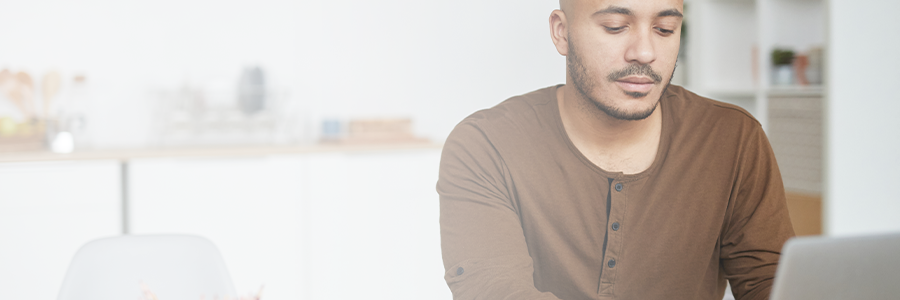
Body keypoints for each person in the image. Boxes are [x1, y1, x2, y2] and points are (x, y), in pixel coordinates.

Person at [436, 0, 795, 299]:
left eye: (665, 29)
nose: (645, 52)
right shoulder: (486, 145)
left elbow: (772, 283)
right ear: (562, 32)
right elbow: (495, 289)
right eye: (615, 26)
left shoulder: (732, 137)